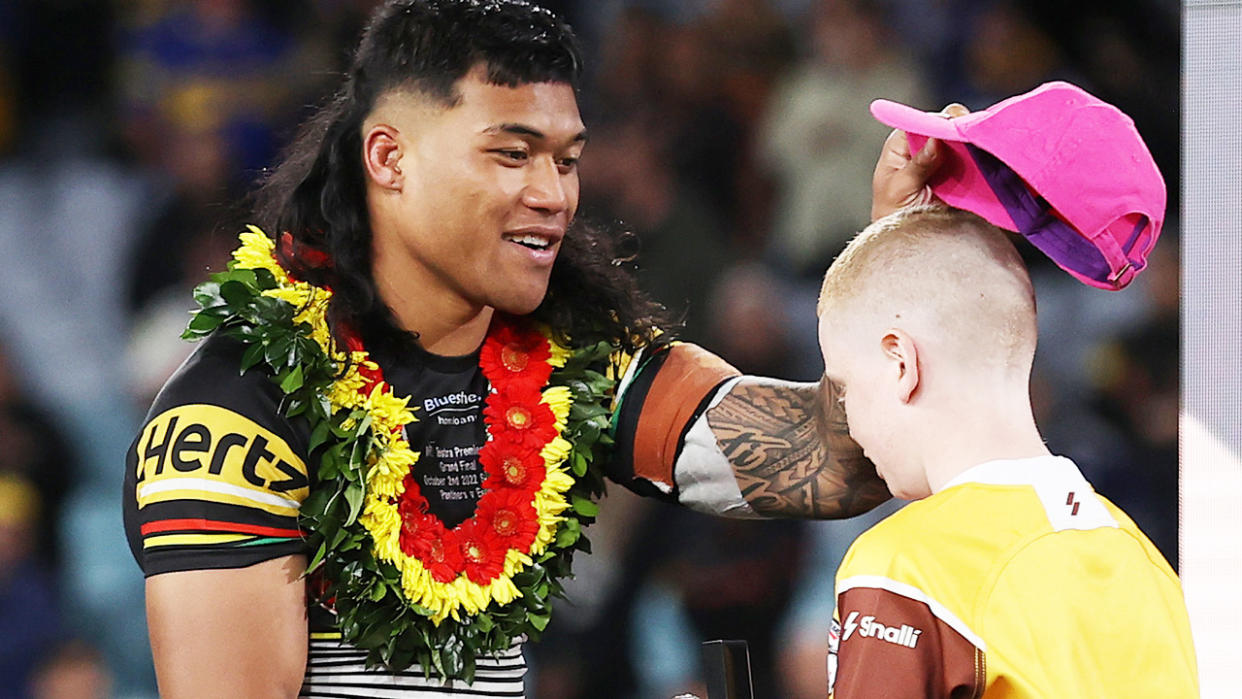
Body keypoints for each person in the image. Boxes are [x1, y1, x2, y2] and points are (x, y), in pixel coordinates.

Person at [122, 1, 944, 696]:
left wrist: (898, 240)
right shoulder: (235, 414)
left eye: (568, 160)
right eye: (511, 153)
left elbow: (834, 458)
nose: (553, 196)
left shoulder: (577, 357)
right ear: (388, 157)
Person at [816, 205, 1198, 697]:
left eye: (844, 389)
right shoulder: (1145, 563)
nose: (847, 420)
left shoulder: (902, 565)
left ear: (900, 362)